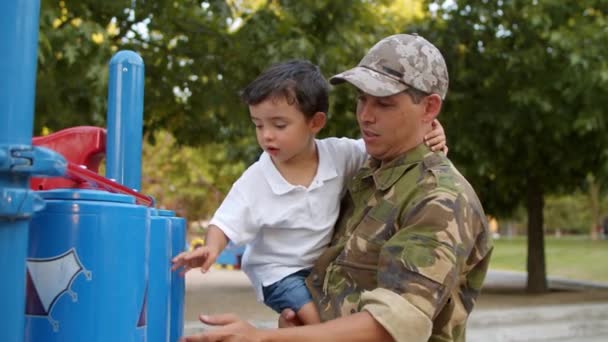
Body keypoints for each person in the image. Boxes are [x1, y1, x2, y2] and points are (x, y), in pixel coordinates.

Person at [180, 33, 492, 342]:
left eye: (384, 103)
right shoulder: (365, 171)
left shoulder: (441, 198)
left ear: (429, 108)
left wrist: (263, 338)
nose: (366, 116)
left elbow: (390, 327)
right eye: (361, 99)